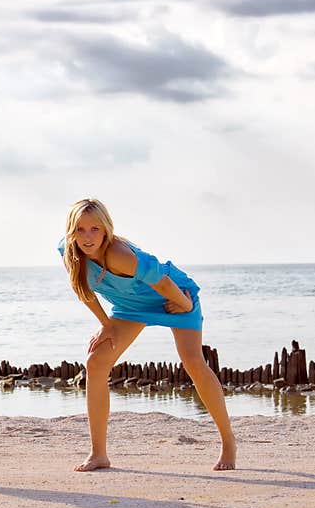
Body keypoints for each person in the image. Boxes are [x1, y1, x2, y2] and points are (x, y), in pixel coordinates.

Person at [59, 198, 236, 472]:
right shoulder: (69, 252)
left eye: (94, 229)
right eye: (80, 229)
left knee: (193, 362)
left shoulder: (119, 254)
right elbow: (83, 290)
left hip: (173, 296)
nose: (87, 237)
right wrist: (106, 323)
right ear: (71, 230)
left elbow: (163, 282)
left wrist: (186, 305)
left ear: (106, 229)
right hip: (130, 307)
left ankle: (228, 443)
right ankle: (98, 454)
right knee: (95, 362)